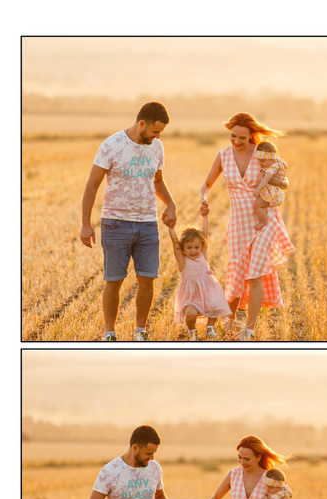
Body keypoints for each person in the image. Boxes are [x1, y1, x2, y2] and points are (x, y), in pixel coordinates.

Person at [77, 102, 181, 341]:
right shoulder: (111, 145)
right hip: (115, 223)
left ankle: (140, 332)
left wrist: (171, 204)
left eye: (160, 133)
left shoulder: (157, 147)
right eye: (155, 131)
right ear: (141, 124)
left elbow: (157, 181)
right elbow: (92, 186)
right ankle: (110, 333)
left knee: (148, 279)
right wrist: (86, 223)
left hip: (147, 223)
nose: (157, 137)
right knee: (114, 280)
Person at [192, 113, 295, 340]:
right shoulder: (223, 156)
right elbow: (206, 185)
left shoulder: (262, 154)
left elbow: (285, 181)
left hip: (263, 220)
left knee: (255, 274)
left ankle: (249, 329)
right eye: (233, 136)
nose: (237, 142)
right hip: (238, 224)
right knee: (237, 274)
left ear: (252, 137)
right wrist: (203, 199)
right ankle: (229, 324)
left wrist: (274, 180)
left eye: (242, 138)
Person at [169, 227, 233, 340]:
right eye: (189, 248)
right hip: (191, 297)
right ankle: (192, 330)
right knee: (190, 314)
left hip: (207, 292)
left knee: (216, 305)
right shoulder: (182, 261)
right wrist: (171, 228)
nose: (193, 251)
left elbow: (205, 234)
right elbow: (175, 243)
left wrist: (205, 217)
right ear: (183, 248)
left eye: (196, 247)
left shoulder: (202, 255)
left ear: (201, 246)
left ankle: (210, 328)